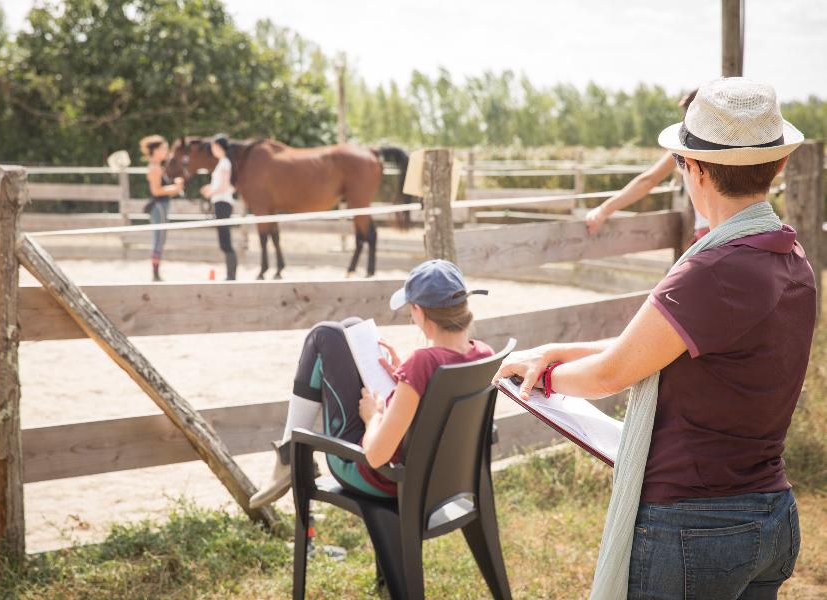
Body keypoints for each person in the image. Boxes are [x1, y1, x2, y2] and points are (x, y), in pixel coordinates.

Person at [494, 78, 814, 599]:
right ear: (778, 165)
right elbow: (658, 346)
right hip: (770, 512)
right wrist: (557, 352)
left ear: (696, 168)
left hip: (694, 523)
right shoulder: (789, 260)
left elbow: (610, 374)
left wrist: (541, 376)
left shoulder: (712, 269)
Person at [250, 259, 491, 508]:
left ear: (418, 310)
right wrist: (406, 379)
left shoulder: (423, 362)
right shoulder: (484, 353)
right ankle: (288, 457)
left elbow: (376, 456)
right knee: (352, 327)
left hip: (386, 478)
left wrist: (372, 417)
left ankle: (289, 458)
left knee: (323, 335)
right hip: (439, 475)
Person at [585, 89, 710, 247]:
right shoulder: (735, 145)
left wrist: (603, 210)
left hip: (709, 235)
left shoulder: (685, 145)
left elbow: (649, 179)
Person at [139, 135, 184, 281]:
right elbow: (156, 191)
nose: (166, 152)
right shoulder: (155, 168)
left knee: (160, 238)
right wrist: (175, 188)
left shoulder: (158, 167)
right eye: (164, 149)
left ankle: (156, 272)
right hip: (159, 206)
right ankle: (155, 273)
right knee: (159, 238)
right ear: (156, 150)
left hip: (161, 205)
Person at [200, 134, 238, 280]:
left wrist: (210, 192)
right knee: (224, 240)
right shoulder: (223, 163)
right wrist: (210, 188)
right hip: (220, 201)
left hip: (222, 202)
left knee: (225, 241)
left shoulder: (224, 163)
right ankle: (230, 275)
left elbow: (223, 186)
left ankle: (231, 276)